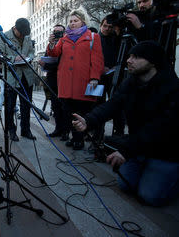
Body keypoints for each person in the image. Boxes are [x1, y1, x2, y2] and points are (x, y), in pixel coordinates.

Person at [72, 41, 179, 206]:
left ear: (152, 61)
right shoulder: (131, 82)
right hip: (139, 147)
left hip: (166, 151)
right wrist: (89, 120)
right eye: (129, 56)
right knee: (126, 185)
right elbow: (113, 105)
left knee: (149, 196)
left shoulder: (172, 87)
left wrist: (127, 150)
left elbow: (161, 128)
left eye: (136, 57)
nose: (129, 60)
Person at [46, 10, 104, 150]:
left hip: (83, 81)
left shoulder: (93, 36)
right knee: (68, 111)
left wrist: (95, 77)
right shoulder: (65, 37)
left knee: (81, 112)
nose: (72, 23)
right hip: (66, 81)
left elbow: (97, 60)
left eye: (75, 21)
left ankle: (79, 139)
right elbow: (54, 53)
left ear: (83, 22)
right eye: (70, 21)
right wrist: (51, 43)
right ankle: (74, 137)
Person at [0, 18, 37, 141]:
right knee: (10, 105)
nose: (24, 35)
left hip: (27, 76)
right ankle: (11, 131)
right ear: (15, 28)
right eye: (21, 33)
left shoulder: (26, 36)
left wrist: (28, 57)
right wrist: (14, 59)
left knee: (26, 105)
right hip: (12, 77)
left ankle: (26, 130)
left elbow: (31, 52)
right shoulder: (4, 37)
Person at [38, 24, 68, 140]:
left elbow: (62, 63)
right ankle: (58, 129)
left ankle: (66, 130)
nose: (57, 34)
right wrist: (44, 64)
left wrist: (47, 64)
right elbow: (47, 58)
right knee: (55, 105)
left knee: (64, 106)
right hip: (52, 79)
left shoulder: (66, 44)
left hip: (63, 78)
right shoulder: (50, 45)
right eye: (55, 32)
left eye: (60, 32)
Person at [98, 16, 125, 136]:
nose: (107, 29)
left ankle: (118, 134)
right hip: (98, 78)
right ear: (100, 25)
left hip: (114, 76)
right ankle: (98, 134)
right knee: (98, 106)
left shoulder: (117, 39)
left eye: (110, 27)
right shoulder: (94, 38)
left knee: (117, 105)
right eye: (105, 26)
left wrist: (115, 67)